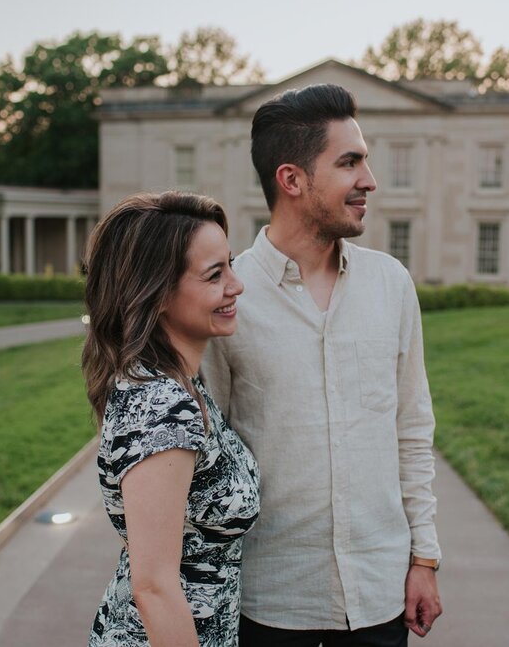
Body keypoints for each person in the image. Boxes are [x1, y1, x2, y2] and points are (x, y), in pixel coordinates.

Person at [203, 84, 443, 645]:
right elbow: (205, 455)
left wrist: (424, 558)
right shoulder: (228, 297)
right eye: (350, 162)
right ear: (292, 180)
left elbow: (411, 429)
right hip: (269, 604)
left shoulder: (391, 284)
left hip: (380, 598)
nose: (370, 180)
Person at [83, 192, 260, 647]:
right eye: (215, 274)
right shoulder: (163, 406)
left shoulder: (176, 383)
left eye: (231, 265)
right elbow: (155, 588)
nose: (236, 285)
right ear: (158, 293)